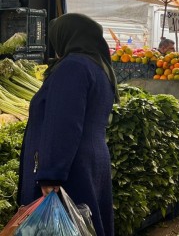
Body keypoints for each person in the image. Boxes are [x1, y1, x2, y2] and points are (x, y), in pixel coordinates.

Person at [18, 13, 118, 236]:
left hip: (70, 167)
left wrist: (51, 173)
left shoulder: (72, 67)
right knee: (85, 225)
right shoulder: (100, 68)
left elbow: (63, 123)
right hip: (91, 161)